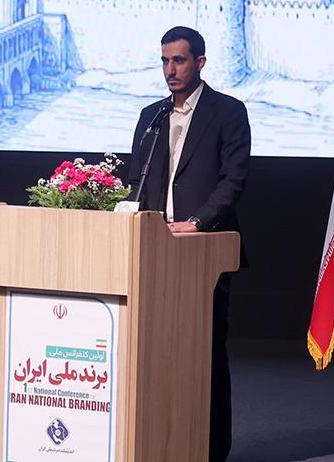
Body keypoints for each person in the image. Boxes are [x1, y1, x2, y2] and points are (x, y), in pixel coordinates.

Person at [125, 25, 250, 462]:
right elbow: (136, 181)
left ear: (199, 62)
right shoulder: (152, 116)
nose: (170, 70)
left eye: (178, 60)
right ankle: (164, 442)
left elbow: (233, 179)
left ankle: (213, 449)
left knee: (206, 352)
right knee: (157, 352)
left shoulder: (228, 112)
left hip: (204, 251)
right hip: (155, 250)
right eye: (164, 61)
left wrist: (197, 223)